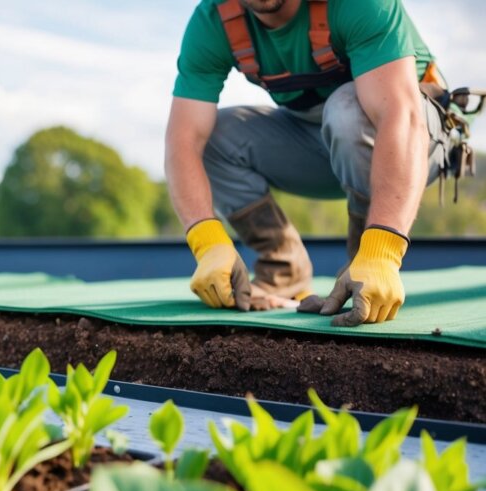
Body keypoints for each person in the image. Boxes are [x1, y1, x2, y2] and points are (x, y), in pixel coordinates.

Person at [166, 0, 451, 326]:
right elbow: (183, 141)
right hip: (324, 146)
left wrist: (382, 251)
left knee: (346, 110)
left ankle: (365, 266)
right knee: (215, 137)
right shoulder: (214, 20)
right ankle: (284, 272)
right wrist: (207, 241)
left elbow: (402, 117)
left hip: (414, 145)